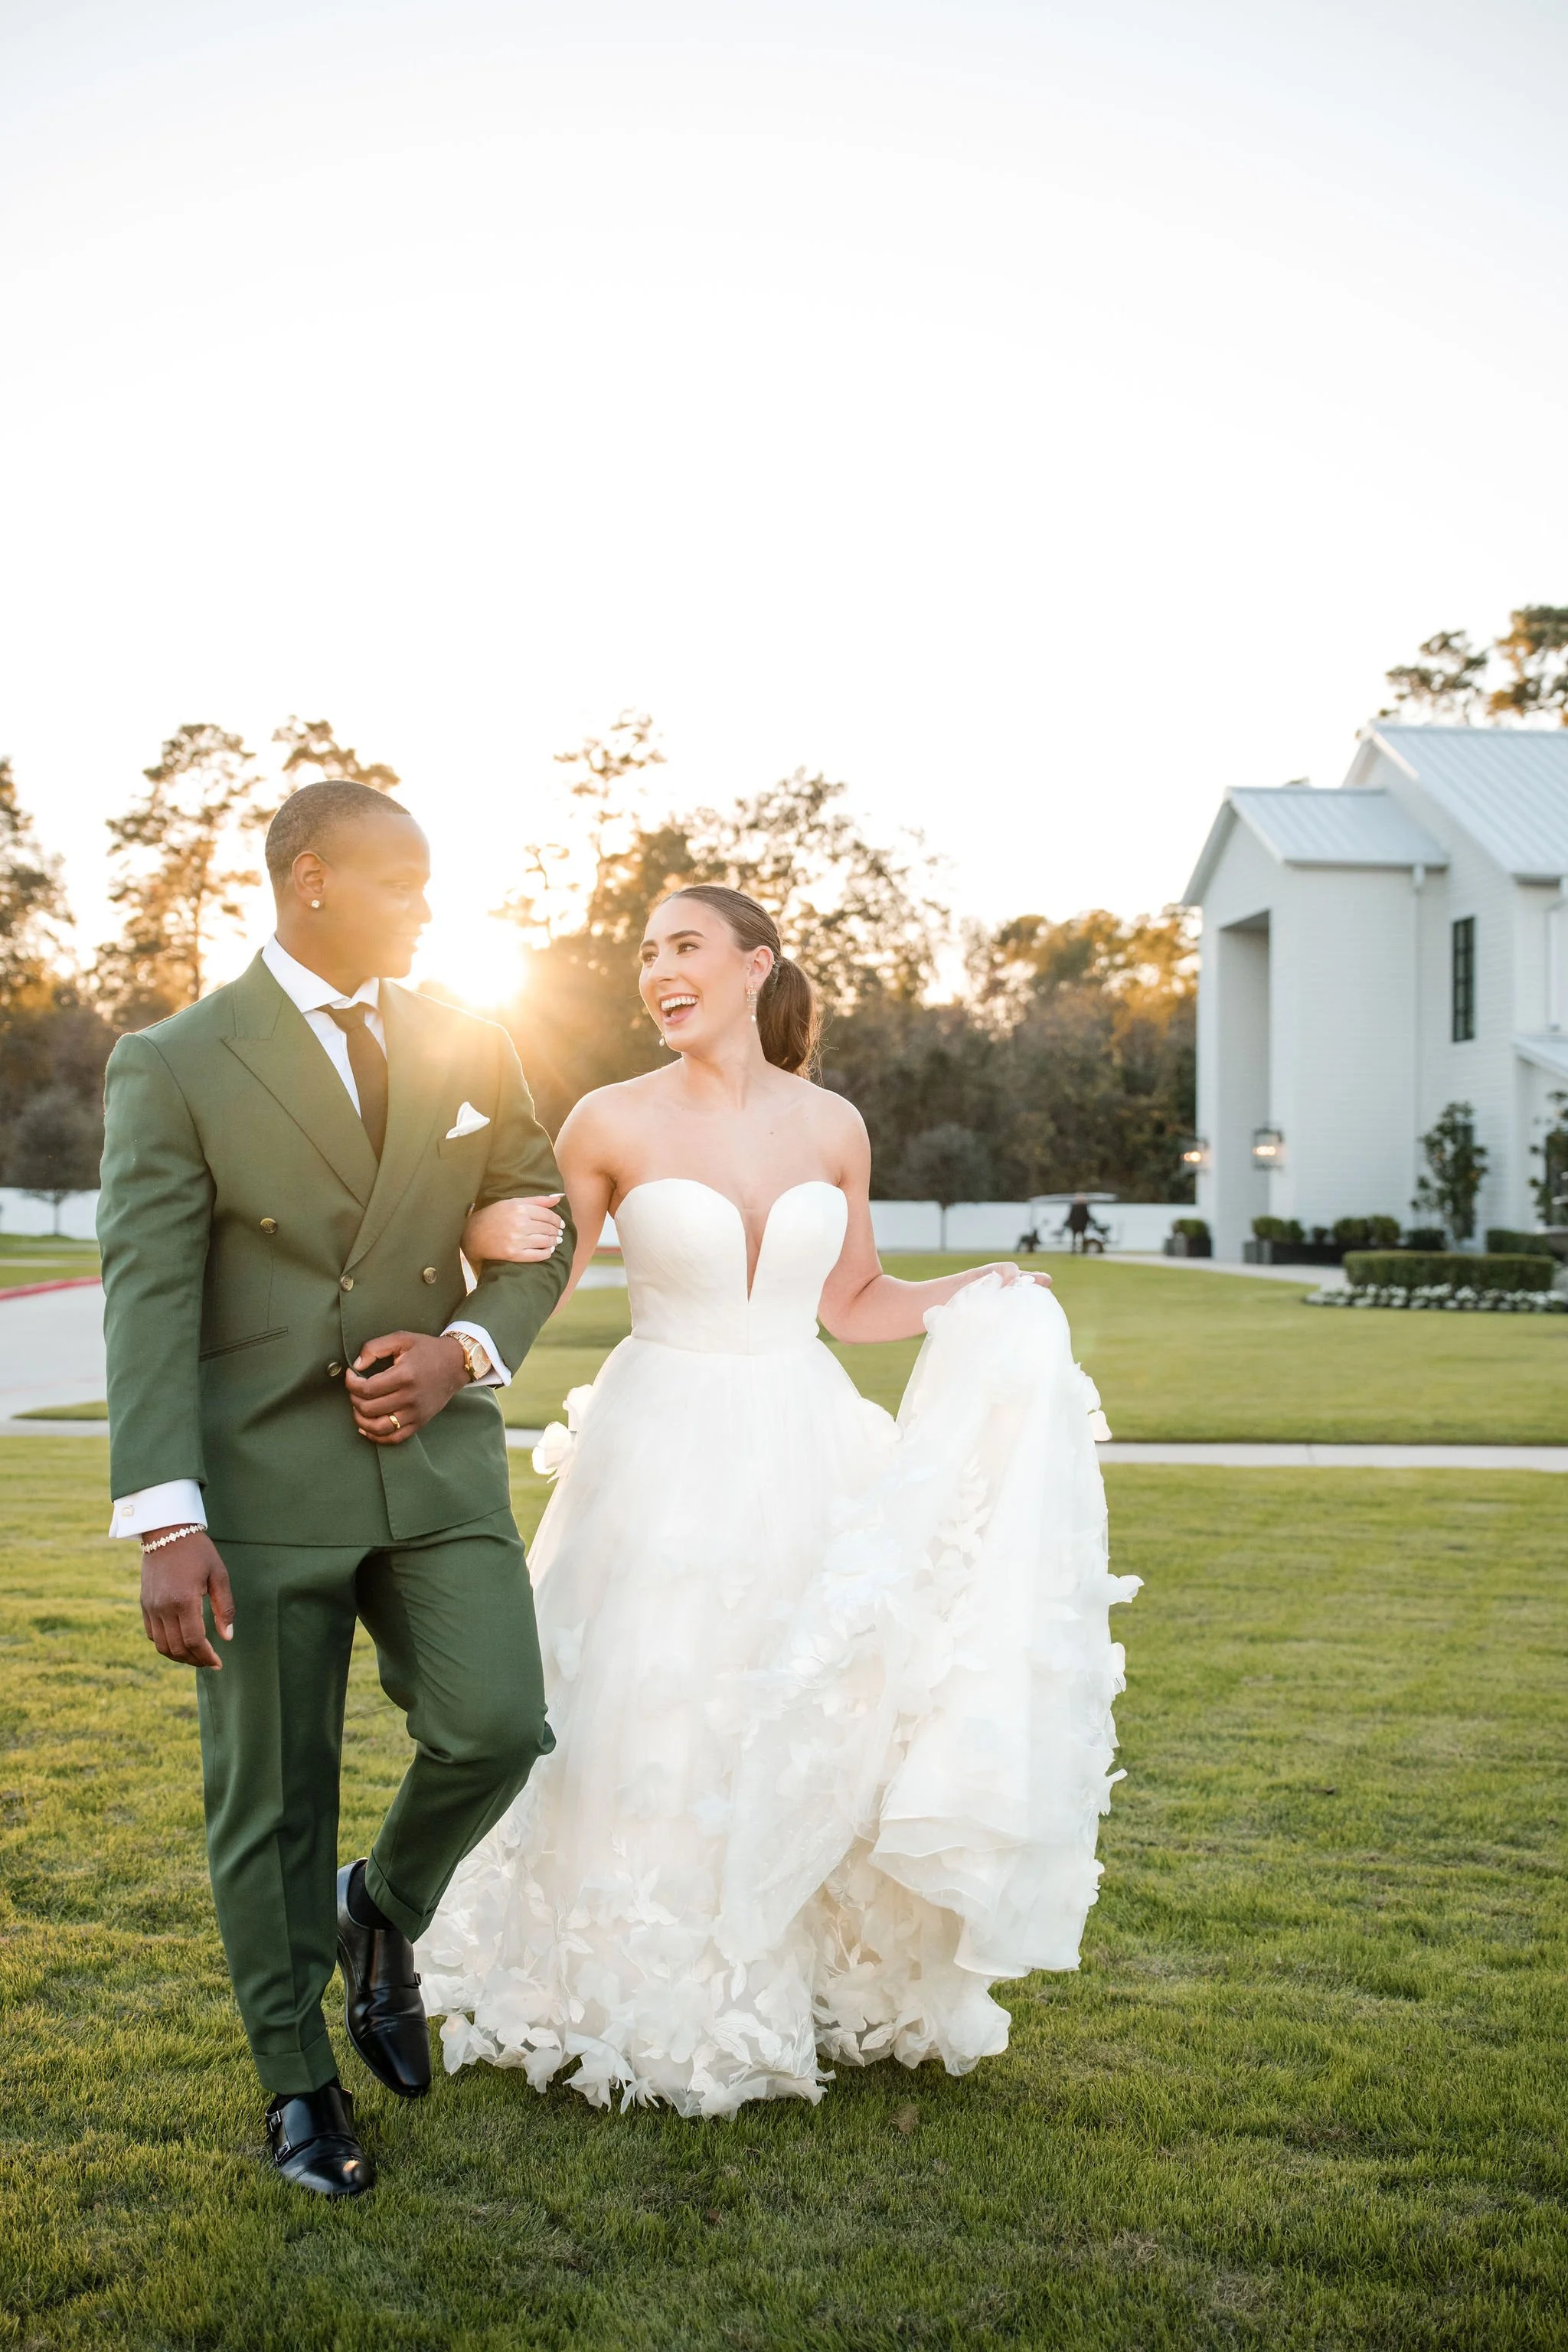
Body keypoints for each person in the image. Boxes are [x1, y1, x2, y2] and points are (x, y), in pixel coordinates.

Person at [420, 884, 1138, 2117]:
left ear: (756, 966)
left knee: (810, 1691)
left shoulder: (833, 1125)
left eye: (684, 948)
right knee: (654, 1696)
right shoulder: (605, 1121)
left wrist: (979, 1290)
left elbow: (853, 1303)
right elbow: (542, 1278)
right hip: (661, 1442)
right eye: (646, 955)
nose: (658, 972)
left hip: (804, 1436)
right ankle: (631, 1981)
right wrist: (476, 1232)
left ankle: (791, 1970)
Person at [97, 782, 571, 2198]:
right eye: (401, 885)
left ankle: (387, 1908)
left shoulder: (469, 1036)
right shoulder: (175, 1060)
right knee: (275, 1797)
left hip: (433, 1463)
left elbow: (538, 1229)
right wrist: (167, 1520)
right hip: (256, 1484)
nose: (427, 911)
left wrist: (465, 1348)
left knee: (497, 1724)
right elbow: (149, 1297)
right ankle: (297, 2086)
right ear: (310, 881)